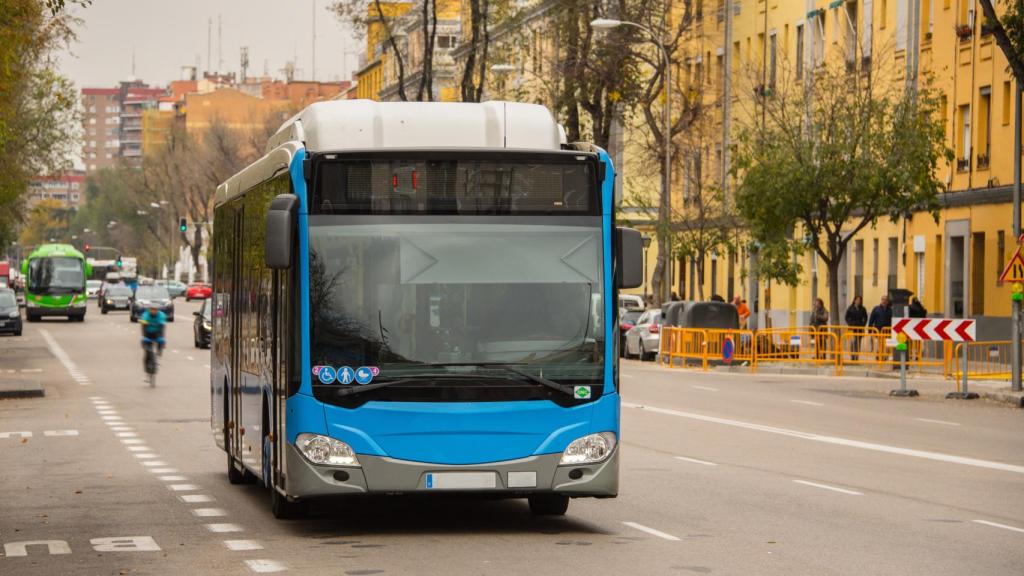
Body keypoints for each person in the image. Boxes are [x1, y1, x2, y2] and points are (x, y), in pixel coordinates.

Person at [844, 295, 868, 361]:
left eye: (860, 300)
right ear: (854, 300)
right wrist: (850, 323)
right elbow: (846, 317)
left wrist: (863, 324)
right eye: (857, 300)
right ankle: (852, 355)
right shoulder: (850, 308)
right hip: (852, 328)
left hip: (860, 328)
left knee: (858, 342)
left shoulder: (863, 309)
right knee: (853, 341)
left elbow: (865, 318)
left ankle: (856, 355)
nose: (858, 301)